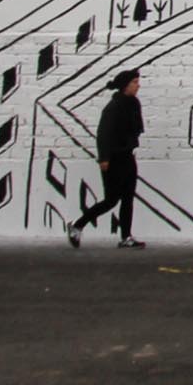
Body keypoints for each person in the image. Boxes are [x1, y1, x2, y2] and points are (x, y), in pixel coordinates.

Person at [65, 69, 146, 250]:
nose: (138, 85)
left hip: (128, 156)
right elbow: (103, 134)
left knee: (128, 198)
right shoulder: (113, 107)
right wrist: (104, 159)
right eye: (134, 82)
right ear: (125, 85)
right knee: (111, 200)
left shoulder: (133, 103)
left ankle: (126, 237)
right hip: (114, 159)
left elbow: (135, 129)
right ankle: (77, 225)